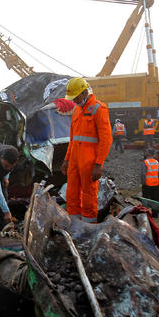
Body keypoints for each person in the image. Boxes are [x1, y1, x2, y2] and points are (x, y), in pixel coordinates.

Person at [60, 77, 112, 223]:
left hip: (89, 162)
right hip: (75, 160)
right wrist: (66, 160)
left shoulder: (99, 109)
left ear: (84, 93)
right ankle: (74, 225)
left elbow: (106, 140)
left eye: (75, 97)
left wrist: (98, 164)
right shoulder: (76, 110)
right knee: (71, 193)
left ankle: (89, 227)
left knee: (88, 195)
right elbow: (73, 139)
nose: (74, 101)